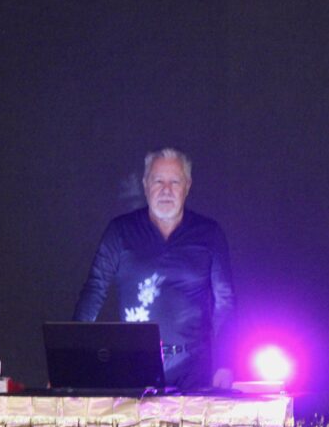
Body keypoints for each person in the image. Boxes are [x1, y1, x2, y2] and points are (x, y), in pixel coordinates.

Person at [73, 148, 236, 390]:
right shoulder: (121, 231)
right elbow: (95, 290)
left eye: (175, 182)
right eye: (158, 181)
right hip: (134, 364)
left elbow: (225, 302)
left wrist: (225, 363)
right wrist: (72, 358)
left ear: (187, 185)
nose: (166, 190)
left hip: (194, 369)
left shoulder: (209, 233)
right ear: (145, 184)